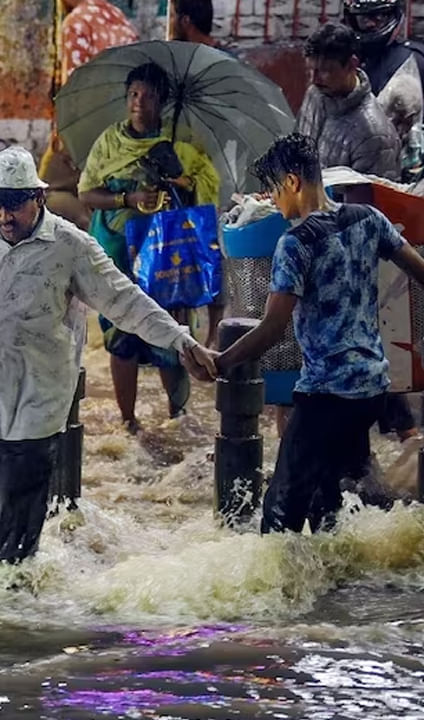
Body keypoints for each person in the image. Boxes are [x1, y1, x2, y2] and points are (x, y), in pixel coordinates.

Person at [0, 147, 217, 565]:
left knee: (13, 536)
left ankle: (9, 609)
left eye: (14, 209)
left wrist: (182, 341)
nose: (4, 219)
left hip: (36, 404)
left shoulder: (70, 246)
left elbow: (125, 301)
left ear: (39, 198)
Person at [208, 134, 424, 533]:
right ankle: (341, 589)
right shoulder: (368, 219)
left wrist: (221, 362)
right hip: (372, 388)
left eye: (274, 190)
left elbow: (273, 328)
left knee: (279, 516)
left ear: (292, 182)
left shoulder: (295, 243)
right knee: (334, 502)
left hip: (325, 393)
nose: (274, 201)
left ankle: (281, 593)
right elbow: (420, 272)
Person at [77, 62, 221, 432]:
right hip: (118, 251)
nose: (138, 102)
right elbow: (87, 192)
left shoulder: (182, 144)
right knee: (121, 335)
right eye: (133, 95)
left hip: (165, 256)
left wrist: (180, 180)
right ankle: (128, 422)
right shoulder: (110, 142)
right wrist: (129, 198)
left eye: (148, 95)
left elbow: (204, 195)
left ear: (163, 102)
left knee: (172, 337)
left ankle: (179, 418)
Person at [41, 0, 139, 232]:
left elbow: (75, 88)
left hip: (87, 126)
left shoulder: (78, 22)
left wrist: (64, 131)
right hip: (122, 130)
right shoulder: (119, 18)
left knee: (43, 193)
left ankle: (85, 237)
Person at [297, 23, 401, 179]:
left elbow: (371, 201)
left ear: (352, 64)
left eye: (325, 71)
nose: (314, 80)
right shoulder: (316, 94)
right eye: (310, 70)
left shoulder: (375, 136)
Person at [342, 0, 424, 180]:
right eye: (364, 18)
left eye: (378, 17)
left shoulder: (414, 61)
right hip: (353, 172)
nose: (371, 24)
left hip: (407, 175)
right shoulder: (345, 61)